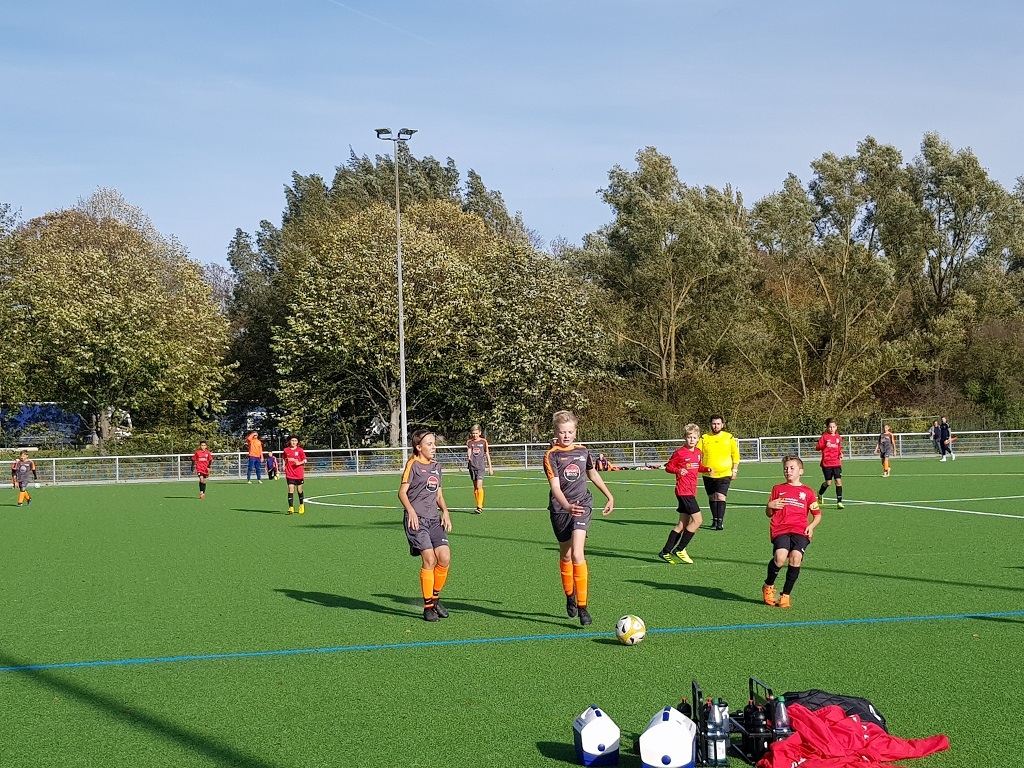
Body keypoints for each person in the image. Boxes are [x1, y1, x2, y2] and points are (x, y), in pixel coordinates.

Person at [543, 410, 615, 627]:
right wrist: (566, 506)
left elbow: (592, 473)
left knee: (577, 553)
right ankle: (570, 596)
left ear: (575, 432)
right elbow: (555, 487)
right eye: (562, 432)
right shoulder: (551, 456)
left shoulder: (583, 451)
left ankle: (583, 607)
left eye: (570, 432)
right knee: (565, 555)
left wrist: (609, 495)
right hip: (560, 509)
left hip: (583, 504)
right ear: (556, 433)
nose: (566, 436)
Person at [400, 429, 453, 622]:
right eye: (429, 444)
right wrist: (411, 511)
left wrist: (445, 512)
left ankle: (435, 599)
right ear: (418, 447)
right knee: (429, 559)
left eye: (434, 444)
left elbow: (438, 494)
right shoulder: (412, 465)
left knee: (444, 557)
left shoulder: (437, 467)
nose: (434, 447)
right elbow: (402, 493)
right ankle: (428, 606)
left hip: (434, 519)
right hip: (417, 520)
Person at [762, 455, 821, 609]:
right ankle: (768, 585)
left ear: (801, 471)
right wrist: (769, 505)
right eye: (786, 468)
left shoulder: (808, 492)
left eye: (791, 468)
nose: (788, 471)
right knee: (780, 558)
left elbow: (817, 515)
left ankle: (785, 595)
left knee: (796, 558)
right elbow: (769, 513)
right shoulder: (777, 489)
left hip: (800, 530)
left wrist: (811, 526)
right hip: (780, 528)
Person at [658, 423, 704, 564]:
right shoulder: (679, 452)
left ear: (698, 439)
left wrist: (707, 469)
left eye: (694, 437)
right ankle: (680, 549)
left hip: (691, 491)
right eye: (689, 437)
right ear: (685, 438)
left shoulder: (698, 452)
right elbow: (668, 467)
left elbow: (698, 467)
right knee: (698, 521)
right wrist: (678, 470)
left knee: (682, 524)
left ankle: (665, 551)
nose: (691, 440)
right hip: (684, 492)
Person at [696, 415, 740, 530]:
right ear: (710, 424)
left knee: (720, 496)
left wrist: (735, 469)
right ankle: (715, 520)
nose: (716, 426)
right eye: (714, 424)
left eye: (718, 424)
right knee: (712, 497)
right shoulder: (704, 438)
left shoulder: (729, 437)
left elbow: (735, 455)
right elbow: (697, 453)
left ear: (722, 425)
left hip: (725, 473)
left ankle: (720, 522)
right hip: (708, 474)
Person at [815, 418, 844, 509]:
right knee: (828, 483)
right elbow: (817, 447)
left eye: (833, 427)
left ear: (836, 427)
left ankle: (839, 502)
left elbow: (839, 448)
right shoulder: (824, 437)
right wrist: (824, 445)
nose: (832, 429)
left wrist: (840, 453)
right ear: (827, 427)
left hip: (836, 463)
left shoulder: (838, 437)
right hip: (826, 463)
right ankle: (820, 493)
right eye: (830, 427)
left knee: (838, 481)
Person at [465, 423, 493, 514]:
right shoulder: (469, 442)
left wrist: (490, 467)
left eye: (476, 433)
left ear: (480, 433)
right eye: (473, 433)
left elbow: (487, 453)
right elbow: (469, 451)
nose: (475, 435)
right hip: (472, 467)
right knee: (475, 487)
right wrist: (469, 457)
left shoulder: (483, 441)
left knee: (479, 486)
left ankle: (480, 506)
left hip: (481, 467)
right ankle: (478, 504)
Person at [283, 435, 307, 514]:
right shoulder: (286, 450)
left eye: (295, 441)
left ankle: (301, 505)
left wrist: (299, 463)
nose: (294, 442)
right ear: (290, 441)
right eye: (292, 440)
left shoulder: (300, 450)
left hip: (298, 473)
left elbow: (305, 460)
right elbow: (284, 458)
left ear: (297, 442)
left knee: (299, 490)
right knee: (291, 489)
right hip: (289, 473)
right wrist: (283, 465)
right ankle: (291, 507)